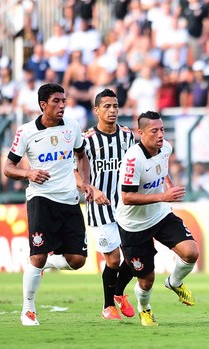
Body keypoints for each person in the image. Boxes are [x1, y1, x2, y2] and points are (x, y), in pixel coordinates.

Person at [3, 83, 94, 326]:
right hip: (41, 199)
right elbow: (8, 168)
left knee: (77, 261)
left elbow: (81, 155)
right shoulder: (26, 132)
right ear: (43, 105)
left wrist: (84, 182)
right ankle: (28, 309)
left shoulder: (72, 126)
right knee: (39, 255)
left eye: (64, 100)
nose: (62, 105)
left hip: (68, 200)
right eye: (56, 101)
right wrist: (29, 173)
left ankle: (43, 262)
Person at [116, 111, 199, 327]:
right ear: (140, 133)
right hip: (133, 225)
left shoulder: (166, 148)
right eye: (154, 131)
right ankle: (145, 309)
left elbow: (161, 170)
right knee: (146, 280)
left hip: (160, 214)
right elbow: (126, 197)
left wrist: (168, 184)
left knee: (191, 253)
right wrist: (164, 195)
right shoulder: (133, 159)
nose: (161, 134)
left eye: (162, 129)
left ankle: (174, 282)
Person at [82, 89, 136, 319]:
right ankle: (108, 305)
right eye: (107, 106)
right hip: (100, 207)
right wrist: (91, 189)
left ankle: (119, 294)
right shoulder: (86, 140)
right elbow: (76, 172)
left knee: (135, 258)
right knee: (113, 259)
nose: (112, 110)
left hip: (126, 206)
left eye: (115, 106)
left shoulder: (128, 136)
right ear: (96, 111)